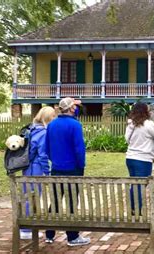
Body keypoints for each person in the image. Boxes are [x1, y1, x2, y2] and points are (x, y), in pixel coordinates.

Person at [45, 97, 90, 246]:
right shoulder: (75, 125)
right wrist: (81, 166)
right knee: (71, 201)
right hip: (73, 168)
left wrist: (55, 161)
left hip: (56, 168)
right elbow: (79, 149)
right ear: (71, 109)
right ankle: (72, 236)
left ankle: (49, 234)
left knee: (56, 199)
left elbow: (47, 148)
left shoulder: (51, 125)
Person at [20, 106, 56, 240]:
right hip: (36, 168)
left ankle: (25, 226)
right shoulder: (43, 133)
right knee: (33, 197)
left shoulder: (31, 129)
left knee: (26, 196)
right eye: (53, 116)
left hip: (26, 166)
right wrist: (47, 171)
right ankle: (26, 229)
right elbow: (43, 155)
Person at [125, 102, 154, 214]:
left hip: (130, 158)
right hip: (143, 158)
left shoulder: (130, 124)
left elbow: (126, 139)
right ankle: (138, 210)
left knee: (134, 183)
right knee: (141, 185)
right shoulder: (148, 124)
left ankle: (133, 208)